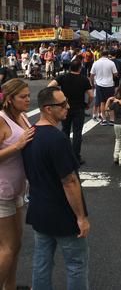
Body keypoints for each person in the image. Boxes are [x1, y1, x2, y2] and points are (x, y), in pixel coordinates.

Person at [22, 87, 90, 290]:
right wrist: (81, 217)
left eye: (66, 101)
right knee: (76, 264)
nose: (67, 107)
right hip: (63, 213)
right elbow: (69, 181)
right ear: (47, 109)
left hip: (39, 209)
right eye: (62, 104)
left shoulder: (30, 135)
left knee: (41, 262)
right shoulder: (58, 139)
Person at [0, 79, 34, 290]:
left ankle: (10, 287)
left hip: (18, 190)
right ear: (10, 99)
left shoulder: (22, 116)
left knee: (17, 244)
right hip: (1, 193)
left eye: (29, 95)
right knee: (8, 247)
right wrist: (18, 146)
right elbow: (18, 146)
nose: (28, 99)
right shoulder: (1, 120)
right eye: (23, 96)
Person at [48, 60, 93, 165]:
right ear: (80, 68)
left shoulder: (63, 77)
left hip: (65, 107)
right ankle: (76, 157)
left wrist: (58, 98)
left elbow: (50, 86)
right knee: (77, 133)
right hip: (79, 108)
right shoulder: (84, 79)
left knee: (65, 131)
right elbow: (91, 95)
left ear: (69, 68)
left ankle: (64, 155)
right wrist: (87, 104)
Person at [90, 50, 118, 125]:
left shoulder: (96, 63)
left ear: (100, 55)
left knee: (102, 102)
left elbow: (91, 75)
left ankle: (104, 120)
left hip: (99, 85)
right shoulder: (111, 63)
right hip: (109, 84)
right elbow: (115, 74)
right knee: (111, 101)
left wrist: (92, 84)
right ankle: (112, 120)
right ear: (108, 55)